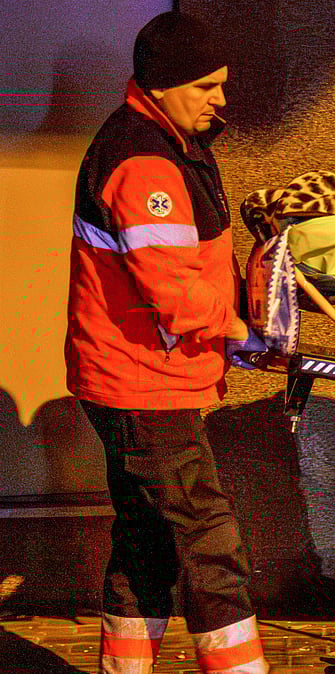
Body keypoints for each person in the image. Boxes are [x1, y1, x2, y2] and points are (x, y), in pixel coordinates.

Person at [64, 11, 270, 674]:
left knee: (145, 539)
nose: (221, 98)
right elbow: (175, 291)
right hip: (143, 383)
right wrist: (241, 330)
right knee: (210, 542)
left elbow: (189, 269)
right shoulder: (146, 162)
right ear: (163, 84)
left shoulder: (170, 139)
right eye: (207, 85)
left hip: (135, 378)